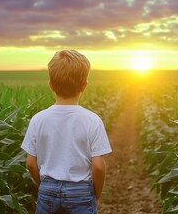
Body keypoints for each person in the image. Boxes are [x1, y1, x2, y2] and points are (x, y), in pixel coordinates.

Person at [21, 50, 112, 214]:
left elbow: (30, 163)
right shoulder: (92, 120)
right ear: (84, 85)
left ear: (51, 85)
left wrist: (44, 186)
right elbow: (98, 167)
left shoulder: (38, 119)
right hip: (80, 192)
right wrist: (95, 195)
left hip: (47, 189)